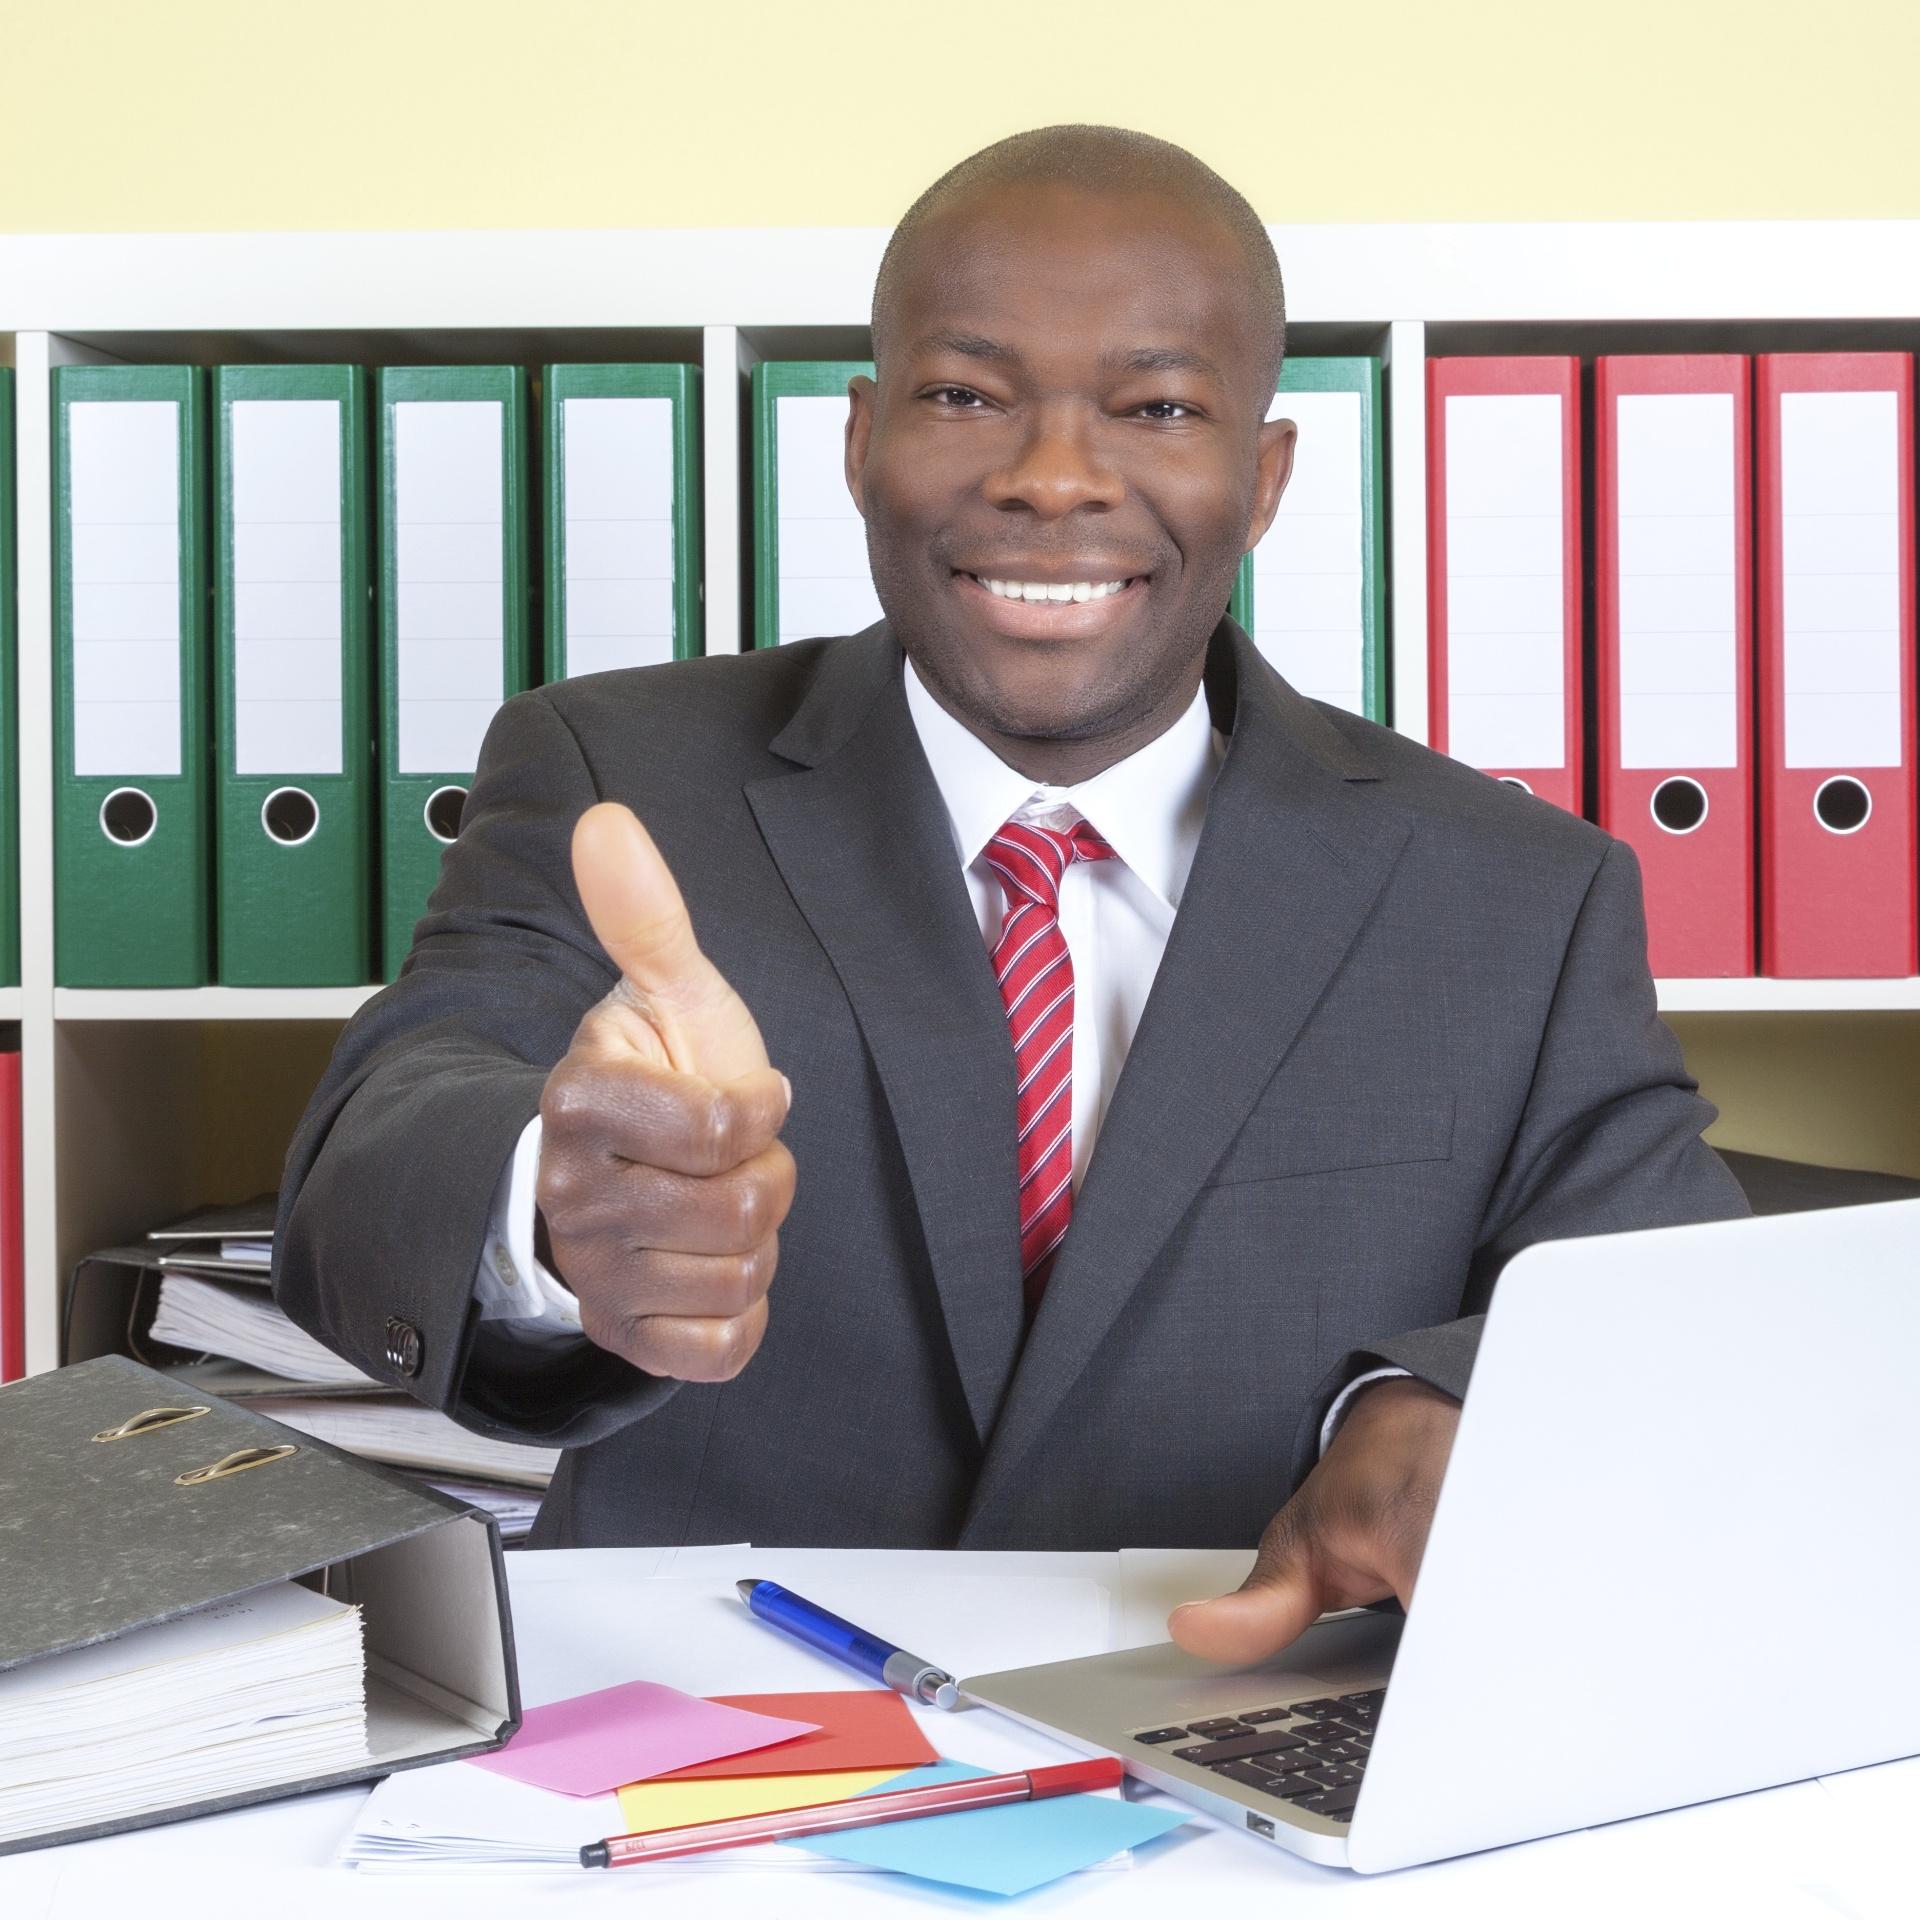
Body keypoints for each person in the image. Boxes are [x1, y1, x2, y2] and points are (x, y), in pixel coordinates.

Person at [277, 125, 1746, 1663]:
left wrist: (1428, 1397)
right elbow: (381, 1143)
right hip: (719, 1744)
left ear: (1263, 476)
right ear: (858, 441)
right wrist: (551, 1205)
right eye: (965, 395)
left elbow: (1659, 1290)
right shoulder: (616, 774)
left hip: (1252, 1742)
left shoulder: (1514, 890)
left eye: (1158, 406)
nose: (1052, 478)